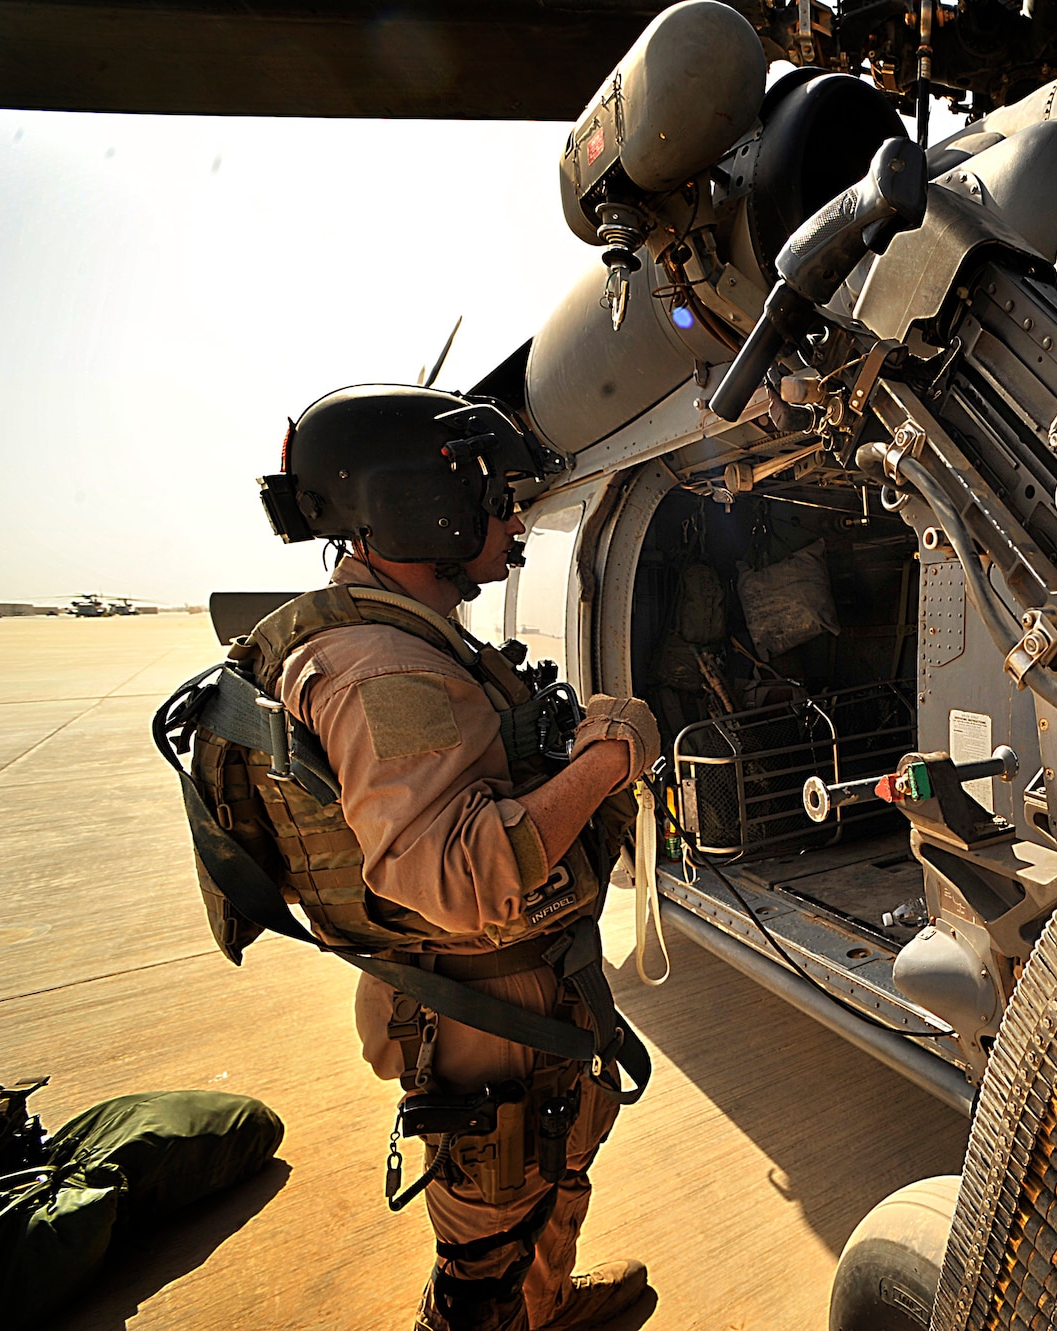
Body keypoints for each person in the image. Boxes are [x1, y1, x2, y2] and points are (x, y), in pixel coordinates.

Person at [183, 384, 661, 1330]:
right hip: (479, 1003)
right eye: (489, 490)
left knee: (553, 1170)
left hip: (513, 989)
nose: (512, 513)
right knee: (483, 1244)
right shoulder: (379, 669)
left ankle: (547, 1306)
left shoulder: (396, 637)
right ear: (415, 502)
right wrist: (611, 757)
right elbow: (451, 875)